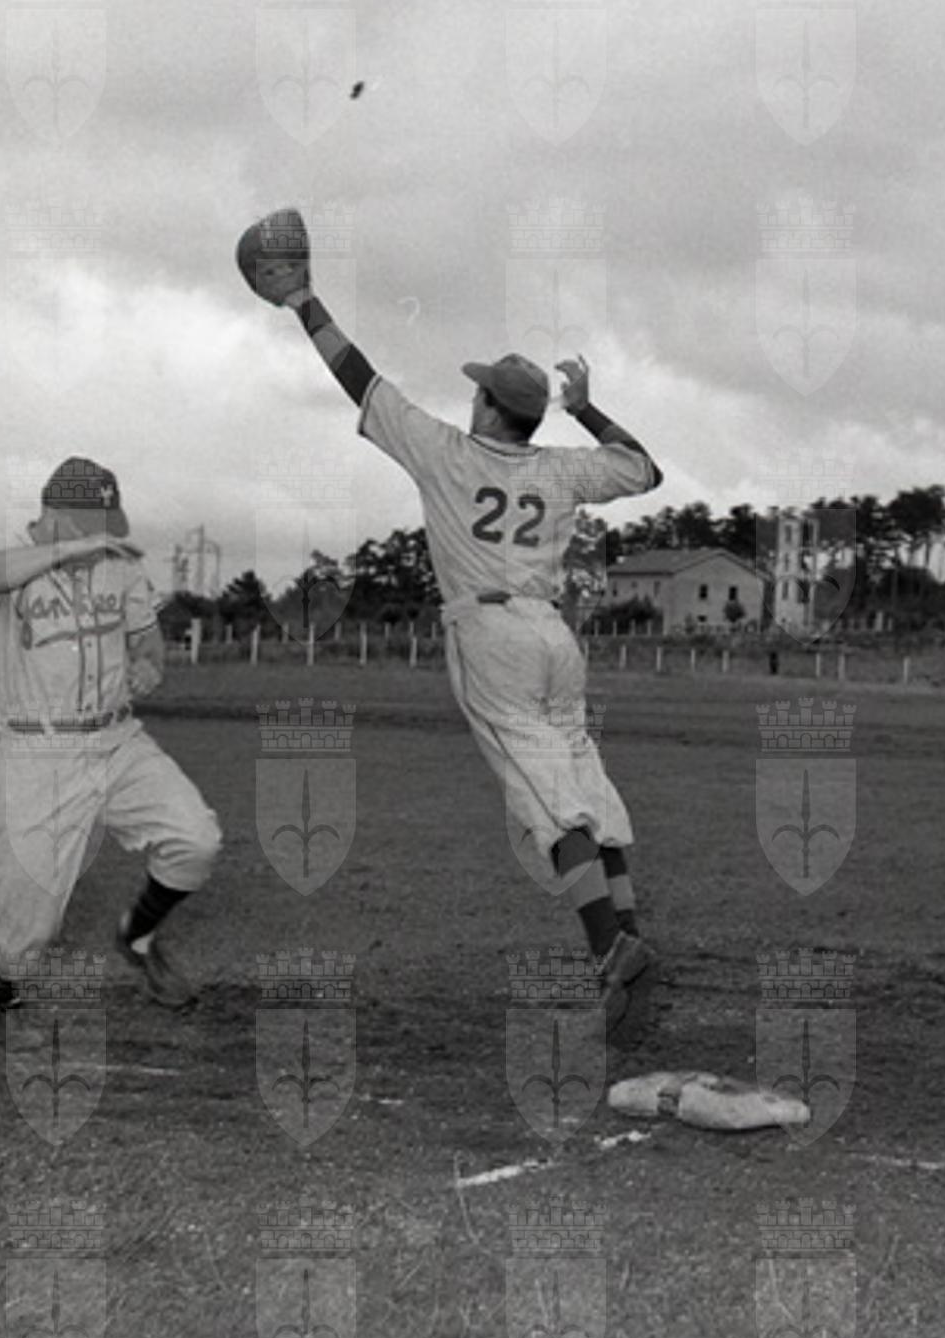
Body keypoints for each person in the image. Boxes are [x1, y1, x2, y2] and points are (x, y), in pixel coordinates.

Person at [241, 225, 664, 1040]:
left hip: (492, 636)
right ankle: (628, 940)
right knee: (586, 788)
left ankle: (611, 952)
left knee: (550, 806)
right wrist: (584, 408)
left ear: (488, 408)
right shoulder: (560, 468)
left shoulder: (444, 453)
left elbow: (358, 378)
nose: (471, 399)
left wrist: (303, 301)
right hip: (554, 636)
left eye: (480, 393)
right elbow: (645, 469)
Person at [0, 458, 222, 1021]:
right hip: (36, 751)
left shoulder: (119, 565)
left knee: (195, 839)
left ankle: (138, 935)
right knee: (27, 933)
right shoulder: (1, 550)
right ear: (56, 514)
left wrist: (149, 665)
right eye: (92, 525)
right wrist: (63, 553)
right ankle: (5, 980)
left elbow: (147, 642)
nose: (102, 536)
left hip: (116, 739)